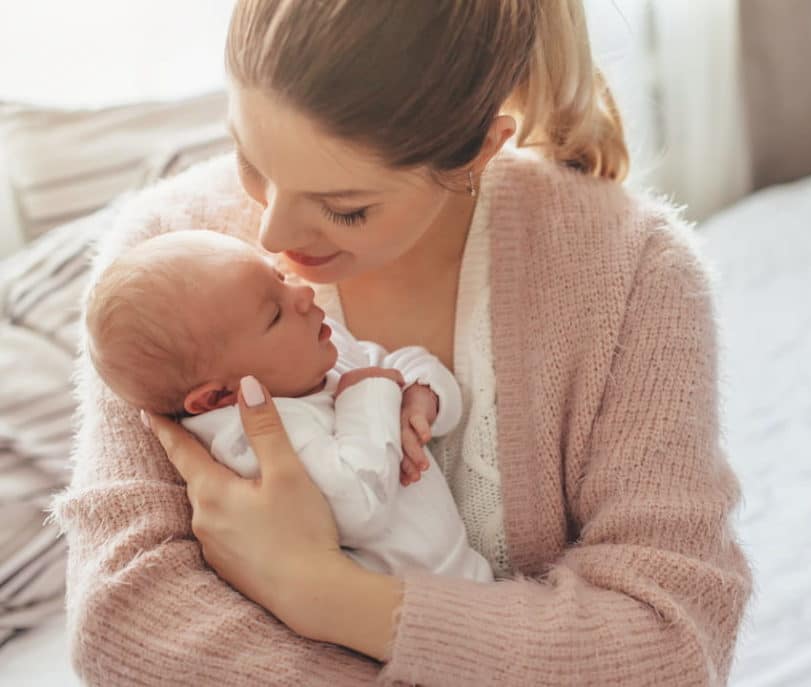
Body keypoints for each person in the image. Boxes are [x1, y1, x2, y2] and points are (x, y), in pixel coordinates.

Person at [52, 1, 752, 684]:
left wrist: (321, 593)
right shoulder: (163, 264)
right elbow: (121, 619)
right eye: (250, 159)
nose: (272, 237)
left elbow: (670, 646)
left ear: (479, 150)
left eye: (345, 207)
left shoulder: (633, 274)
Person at [83, 229, 493, 583]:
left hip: (465, 575)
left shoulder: (318, 357)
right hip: (405, 610)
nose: (302, 293)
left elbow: (403, 363)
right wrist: (368, 394)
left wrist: (422, 395)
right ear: (217, 397)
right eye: (274, 314)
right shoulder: (250, 440)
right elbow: (360, 508)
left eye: (279, 277)